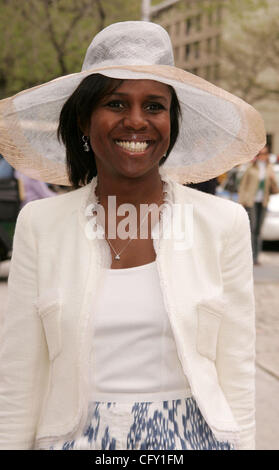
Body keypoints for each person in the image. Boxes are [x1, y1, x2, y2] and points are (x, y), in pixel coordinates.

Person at [0, 21, 265, 451]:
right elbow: (19, 377)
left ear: (171, 122)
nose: (136, 121)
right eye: (116, 103)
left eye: (155, 106)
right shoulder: (41, 225)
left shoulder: (223, 223)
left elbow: (236, 370)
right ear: (85, 119)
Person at [238, 145, 279, 265]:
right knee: (252, 229)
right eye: (261, 153)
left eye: (265, 153)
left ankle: (256, 257)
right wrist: (242, 201)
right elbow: (243, 186)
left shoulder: (269, 168)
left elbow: (275, 190)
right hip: (251, 202)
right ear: (257, 155)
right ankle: (249, 256)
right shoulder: (251, 168)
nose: (263, 156)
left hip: (263, 202)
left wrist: (273, 180)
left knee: (258, 230)